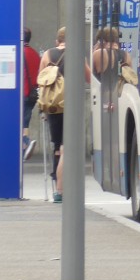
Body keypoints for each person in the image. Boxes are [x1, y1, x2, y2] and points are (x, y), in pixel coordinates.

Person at [39, 26, 92, 203]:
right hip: (71, 107)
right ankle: (61, 189)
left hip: (53, 108)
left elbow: (41, 81)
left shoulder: (47, 55)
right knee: (66, 148)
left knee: (57, 147)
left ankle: (57, 184)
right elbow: (89, 78)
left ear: (57, 40)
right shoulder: (77, 55)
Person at [21, 28, 41, 161]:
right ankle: (23, 149)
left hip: (22, 93)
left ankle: (27, 142)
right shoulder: (35, 54)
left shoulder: (19, 53)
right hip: (32, 95)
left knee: (17, 122)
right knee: (25, 123)